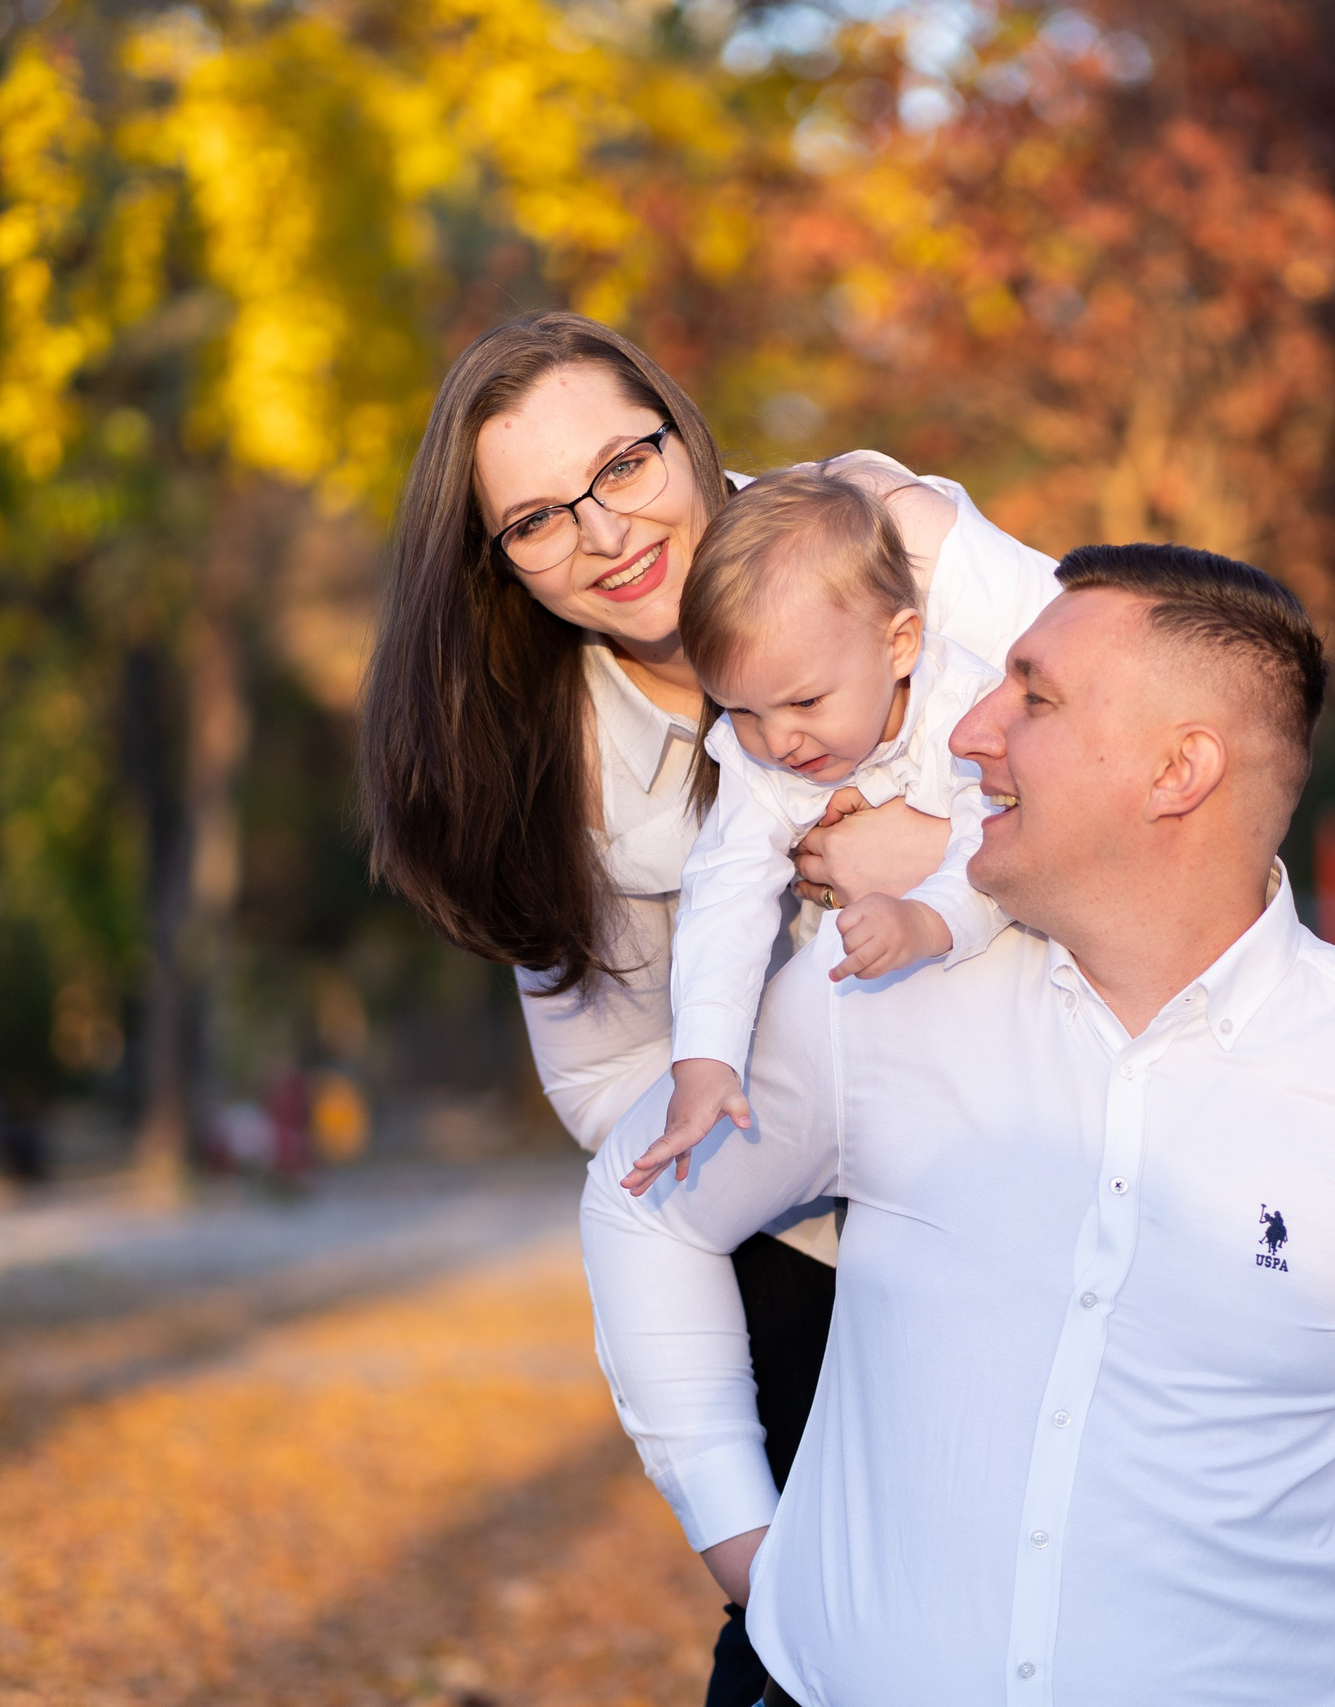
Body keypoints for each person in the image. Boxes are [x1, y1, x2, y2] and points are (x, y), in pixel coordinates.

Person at [582, 545, 1335, 1706]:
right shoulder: (870, 1000)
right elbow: (646, 1207)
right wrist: (738, 1536)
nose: (967, 732)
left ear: (1180, 772)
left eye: (1034, 695)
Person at [355, 310, 1055, 1707]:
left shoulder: (881, 536)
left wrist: (938, 852)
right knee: (821, 1635)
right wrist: (778, 1170)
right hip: (799, 1236)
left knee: (1055, 1604)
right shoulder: (550, 762)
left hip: (1043, 1150)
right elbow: (607, 1071)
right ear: (494, 560)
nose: (606, 532)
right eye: (539, 519)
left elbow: (1144, 724)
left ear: (681, 424)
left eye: (624, 463)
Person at [642, 470, 1015, 1188]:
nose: (779, 739)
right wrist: (706, 1057)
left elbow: (1001, 845)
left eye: (804, 700)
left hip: (1005, 1020)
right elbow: (727, 889)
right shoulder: (765, 759)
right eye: (741, 711)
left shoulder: (969, 713)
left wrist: (926, 918)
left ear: (899, 644)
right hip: (871, 1056)